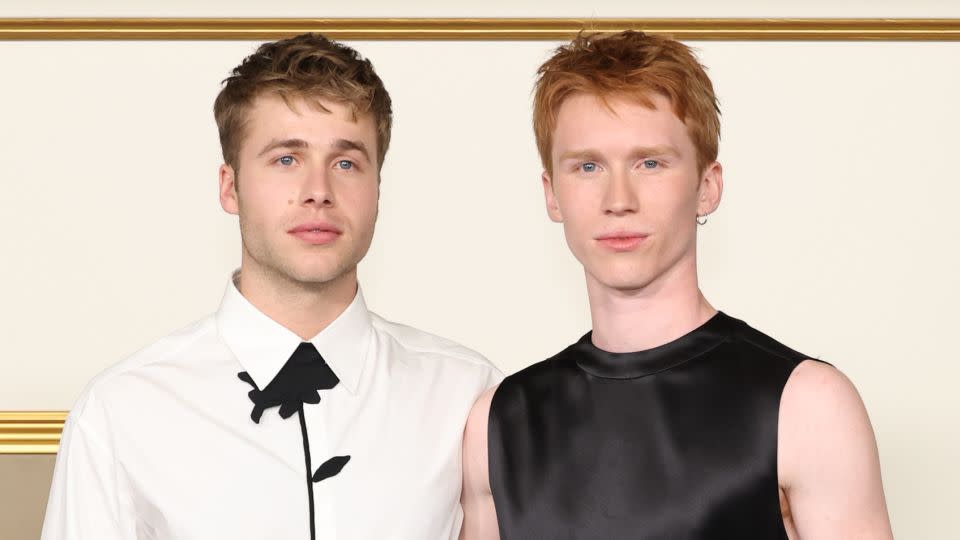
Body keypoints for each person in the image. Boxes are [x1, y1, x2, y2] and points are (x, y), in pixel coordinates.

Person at [41, 33, 501, 540]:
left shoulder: (466, 396)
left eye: (346, 162)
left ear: (377, 189)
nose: (319, 193)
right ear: (229, 186)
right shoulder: (119, 413)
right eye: (286, 159)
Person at [460, 31, 892, 539]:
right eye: (588, 166)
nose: (618, 199)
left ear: (706, 187)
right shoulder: (499, 422)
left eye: (650, 163)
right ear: (552, 195)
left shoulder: (807, 404)